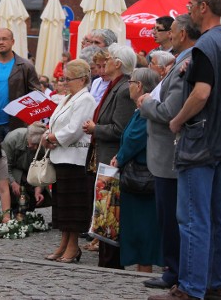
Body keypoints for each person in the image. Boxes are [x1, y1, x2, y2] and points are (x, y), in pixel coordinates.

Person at [151, 0, 221, 300]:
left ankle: (192, 288)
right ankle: (216, 285)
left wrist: (177, 120)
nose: (188, 9)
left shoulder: (205, 46)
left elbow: (202, 92)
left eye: (191, 4)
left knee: (194, 217)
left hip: (201, 140)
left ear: (204, 7)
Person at [139, 14, 200, 290]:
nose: (168, 36)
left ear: (183, 33)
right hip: (164, 155)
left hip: (169, 156)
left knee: (171, 217)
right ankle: (172, 268)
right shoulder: (178, 62)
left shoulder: (185, 64)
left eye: (172, 32)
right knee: (168, 215)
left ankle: (173, 271)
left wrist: (145, 103)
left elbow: (169, 111)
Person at [83, 43, 137, 269]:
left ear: (119, 63)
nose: (106, 61)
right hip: (104, 155)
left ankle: (111, 259)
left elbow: (120, 129)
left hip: (112, 157)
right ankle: (106, 256)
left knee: (110, 210)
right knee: (104, 208)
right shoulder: (114, 86)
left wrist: (96, 129)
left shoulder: (124, 89)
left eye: (111, 58)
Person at [43, 59, 96, 263]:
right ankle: (64, 242)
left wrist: (51, 138)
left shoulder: (86, 99)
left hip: (74, 158)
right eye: (63, 79)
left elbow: (74, 129)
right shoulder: (67, 98)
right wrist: (48, 134)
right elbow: (55, 122)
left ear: (82, 79)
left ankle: (73, 245)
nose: (64, 83)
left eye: (68, 79)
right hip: (60, 156)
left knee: (73, 205)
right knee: (62, 205)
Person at [109, 68, 161, 272]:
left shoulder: (145, 111)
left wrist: (120, 158)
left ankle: (144, 268)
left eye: (130, 81)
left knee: (143, 227)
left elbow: (134, 139)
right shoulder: (140, 109)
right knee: (139, 226)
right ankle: (141, 267)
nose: (128, 85)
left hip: (142, 176)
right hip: (138, 174)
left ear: (138, 86)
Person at [0, 28, 39, 141]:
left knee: (16, 157)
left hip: (18, 124)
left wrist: (22, 111)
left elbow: (36, 94)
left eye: (4, 39)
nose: (1, 42)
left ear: (13, 41)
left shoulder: (26, 66)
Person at [1, 122, 48, 210]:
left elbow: (44, 169)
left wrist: (39, 188)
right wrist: (13, 183)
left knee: (33, 192)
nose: (34, 147)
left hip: (33, 170)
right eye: (32, 143)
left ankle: (30, 214)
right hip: (14, 170)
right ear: (28, 137)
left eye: (37, 145)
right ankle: (14, 213)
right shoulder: (12, 139)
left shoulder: (45, 144)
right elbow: (4, 166)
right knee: (18, 189)